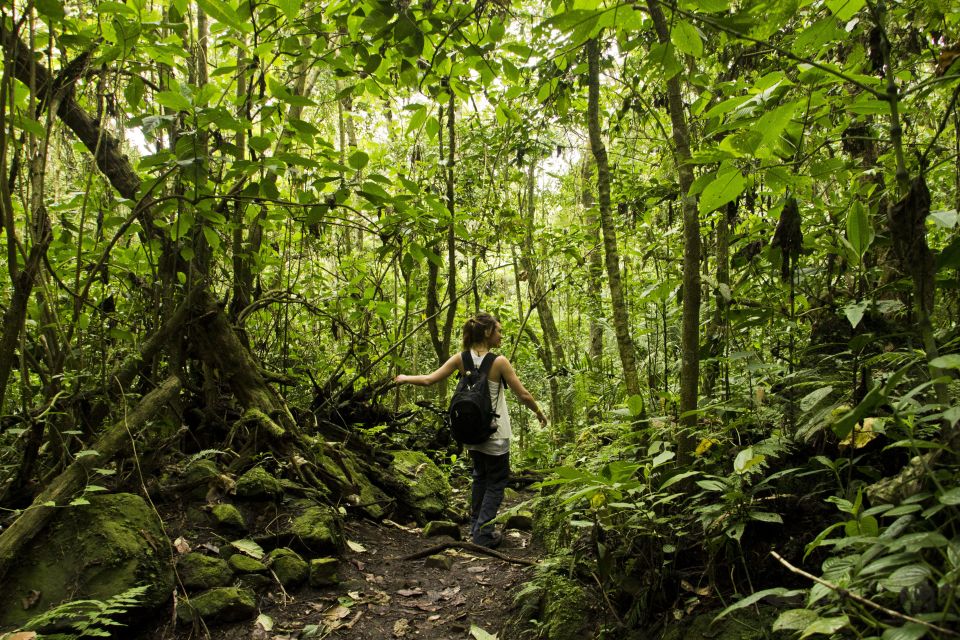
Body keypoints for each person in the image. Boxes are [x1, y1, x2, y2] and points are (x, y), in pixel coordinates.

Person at [395, 312, 548, 548]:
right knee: (496, 482)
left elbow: (429, 380)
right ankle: (483, 533)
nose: (501, 335)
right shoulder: (499, 362)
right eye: (498, 331)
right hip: (495, 433)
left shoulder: (460, 358)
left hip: (471, 433)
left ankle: (477, 526)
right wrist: (538, 412)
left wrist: (405, 377)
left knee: (479, 477)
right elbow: (523, 394)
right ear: (487, 332)